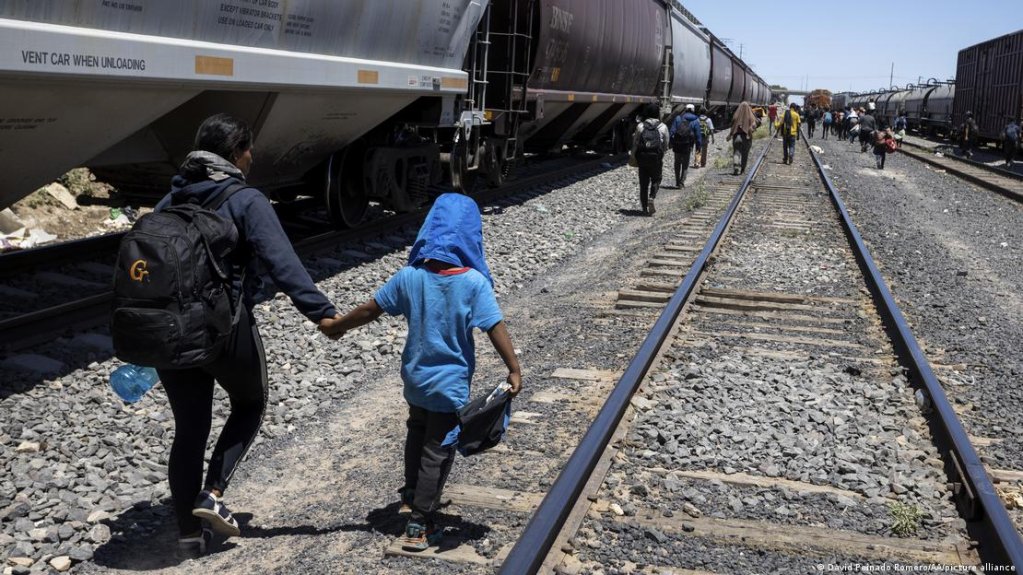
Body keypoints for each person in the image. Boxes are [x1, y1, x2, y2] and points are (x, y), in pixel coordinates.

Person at [152, 114, 340, 556]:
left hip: (170, 331)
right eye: (249, 149)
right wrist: (323, 314)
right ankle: (212, 494)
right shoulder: (246, 199)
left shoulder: (170, 198)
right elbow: (283, 263)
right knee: (250, 403)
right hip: (223, 329)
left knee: (189, 426)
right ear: (236, 152)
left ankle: (188, 533)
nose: (252, 157)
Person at [318, 193, 522, 552]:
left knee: (416, 430)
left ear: (429, 231)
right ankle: (420, 525)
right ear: (472, 236)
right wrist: (513, 369)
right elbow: (495, 327)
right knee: (438, 450)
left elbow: (370, 309)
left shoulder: (410, 277)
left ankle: (412, 494)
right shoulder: (473, 283)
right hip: (448, 386)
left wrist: (337, 326)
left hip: (415, 380)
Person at [631, 103, 669, 214]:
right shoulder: (663, 127)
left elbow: (635, 143)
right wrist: (661, 154)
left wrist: (633, 156)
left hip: (642, 158)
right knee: (656, 179)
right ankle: (652, 197)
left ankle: (643, 208)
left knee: (643, 184)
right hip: (656, 159)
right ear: (658, 113)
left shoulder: (640, 126)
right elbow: (666, 144)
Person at [669, 103, 701, 189]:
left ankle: (677, 181)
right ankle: (682, 182)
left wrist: (672, 143)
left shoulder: (678, 118)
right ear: (693, 110)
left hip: (677, 145)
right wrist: (698, 147)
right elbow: (698, 135)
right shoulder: (696, 120)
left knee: (677, 163)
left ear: (685, 110)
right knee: (685, 165)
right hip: (688, 145)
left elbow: (672, 132)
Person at [727, 102, 760, 176]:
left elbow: (732, 123)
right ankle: (742, 169)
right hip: (746, 137)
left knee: (736, 152)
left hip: (736, 136)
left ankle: (736, 166)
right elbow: (755, 124)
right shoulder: (750, 116)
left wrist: (731, 133)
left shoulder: (736, 115)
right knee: (745, 154)